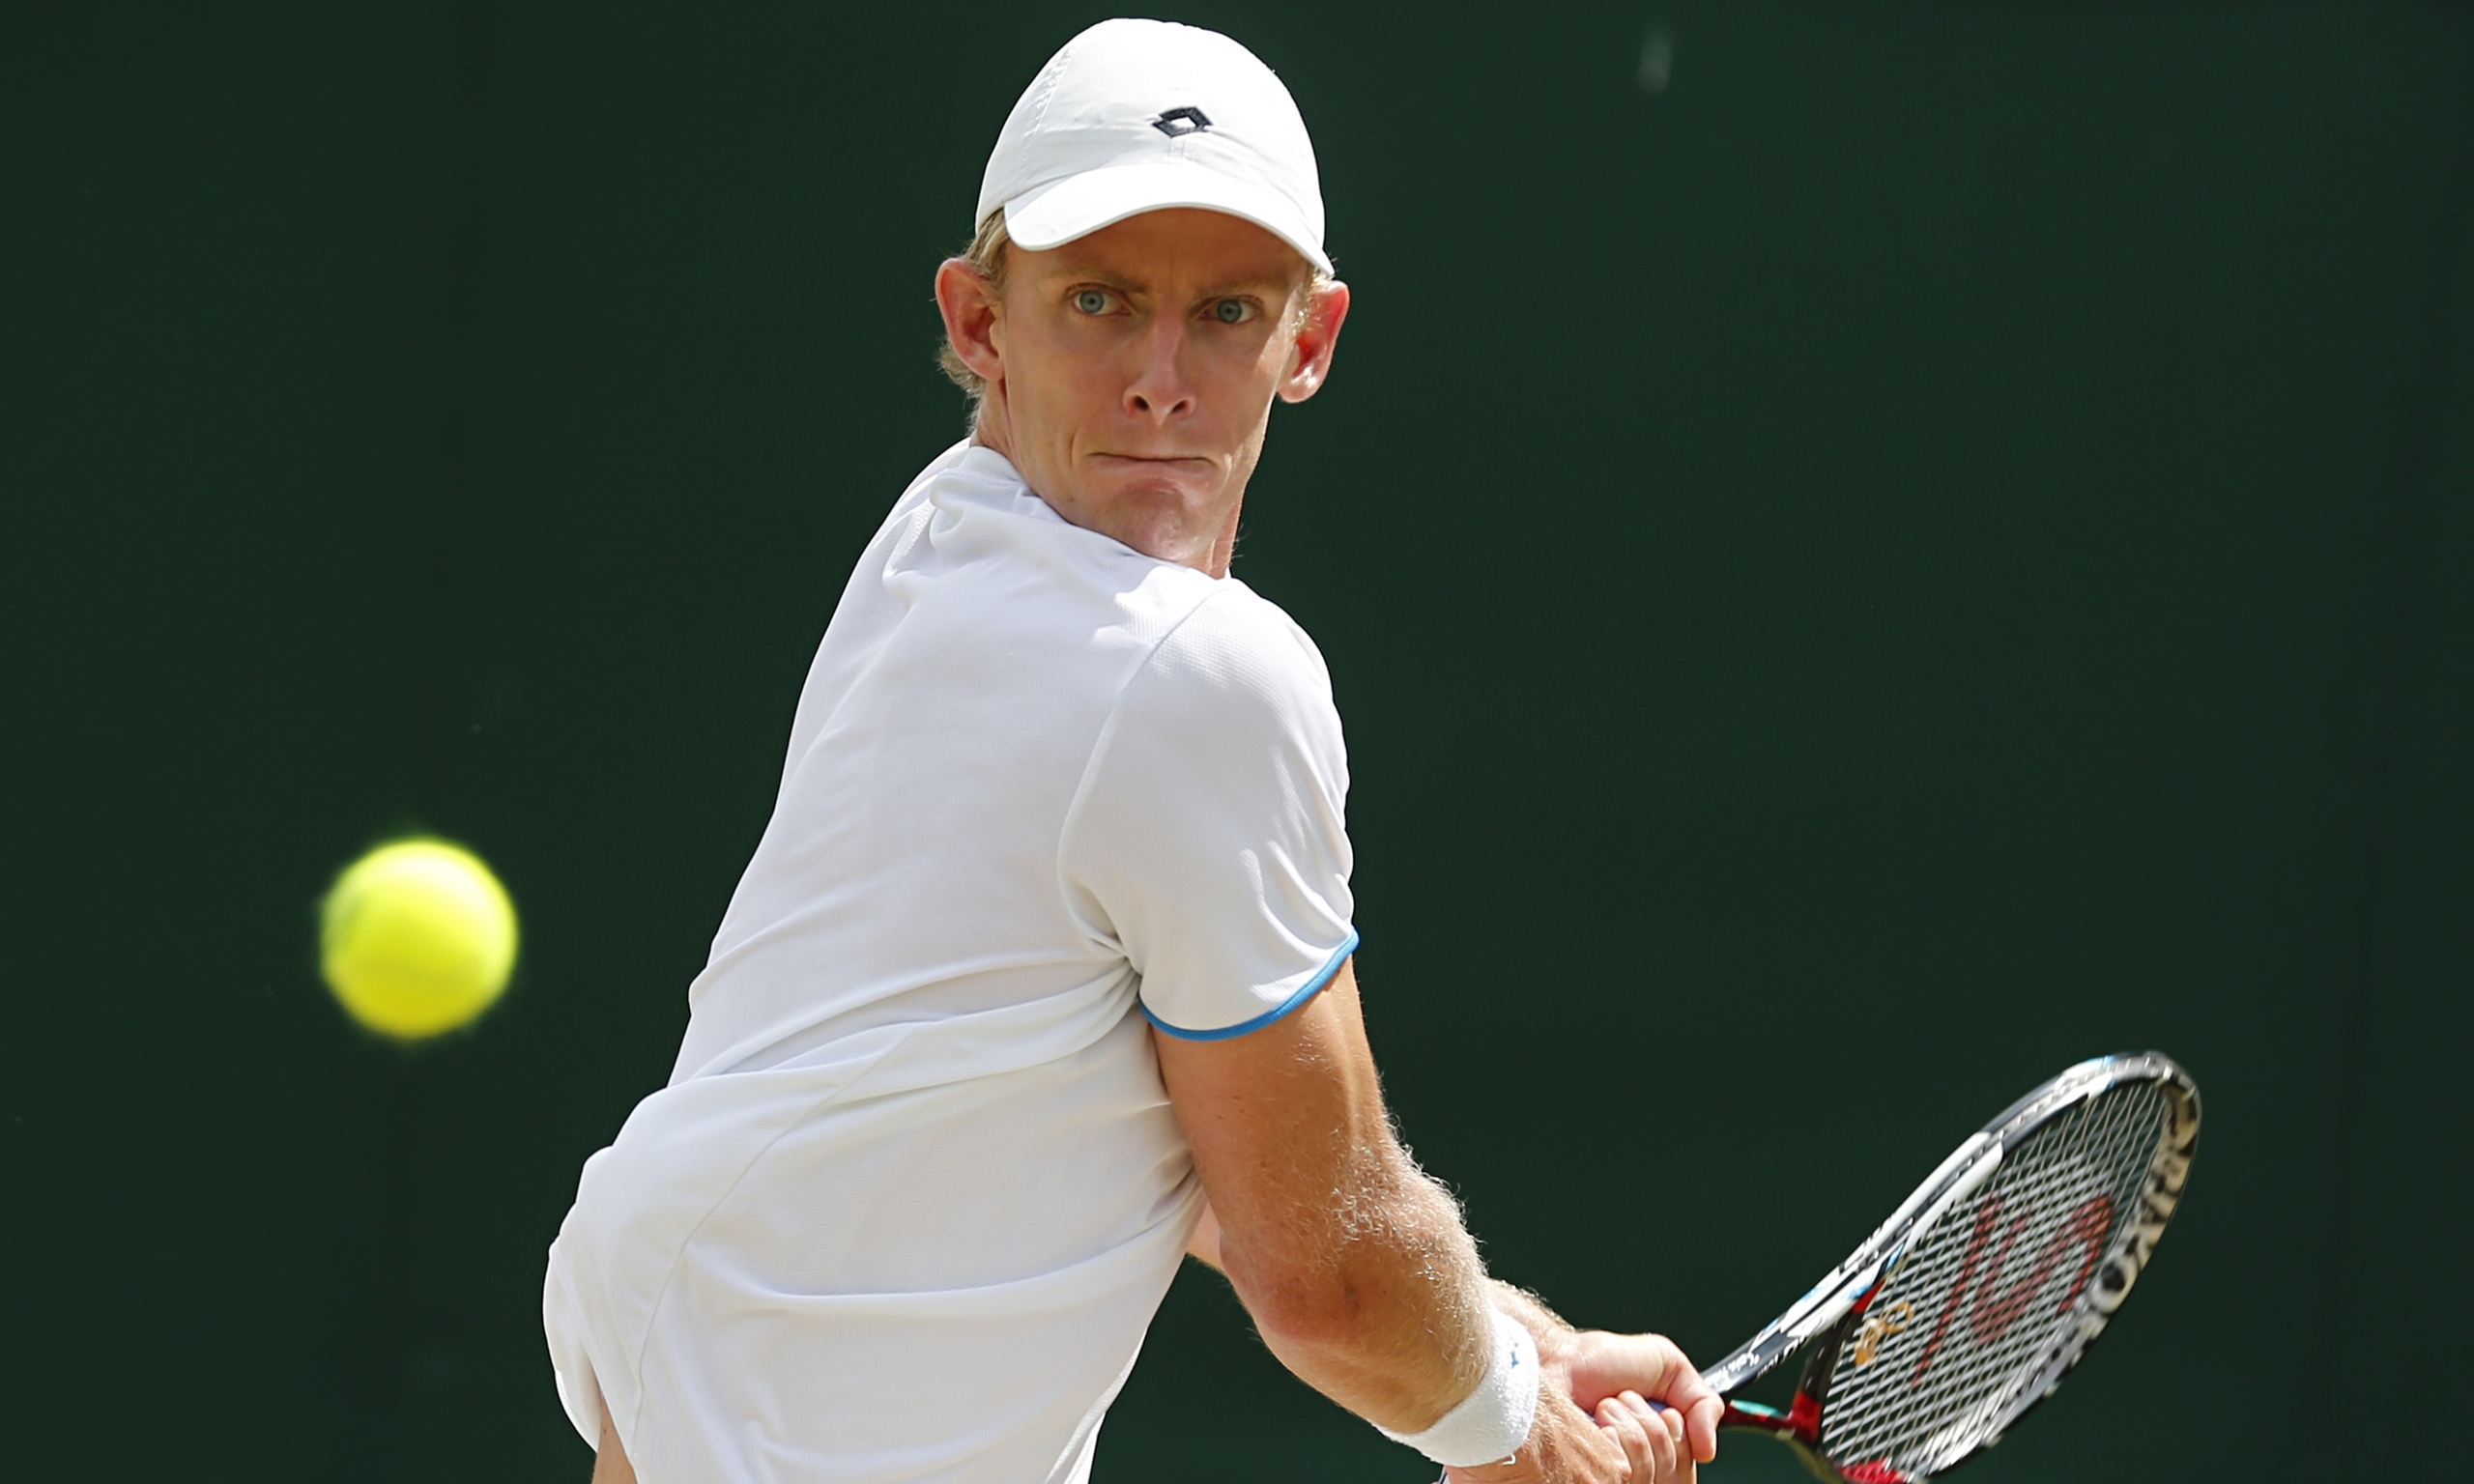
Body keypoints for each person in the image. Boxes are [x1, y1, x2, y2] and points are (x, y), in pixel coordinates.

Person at [543, 19, 1721, 1484]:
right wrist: (1514, 1438)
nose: (1163, 379)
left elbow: (1210, 1144)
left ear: (1311, 340)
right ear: (980, 323)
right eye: (1099, 300)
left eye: (1229, 312)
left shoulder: (943, 539)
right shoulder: (1192, 676)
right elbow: (1330, 1276)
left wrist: (1512, 1351)